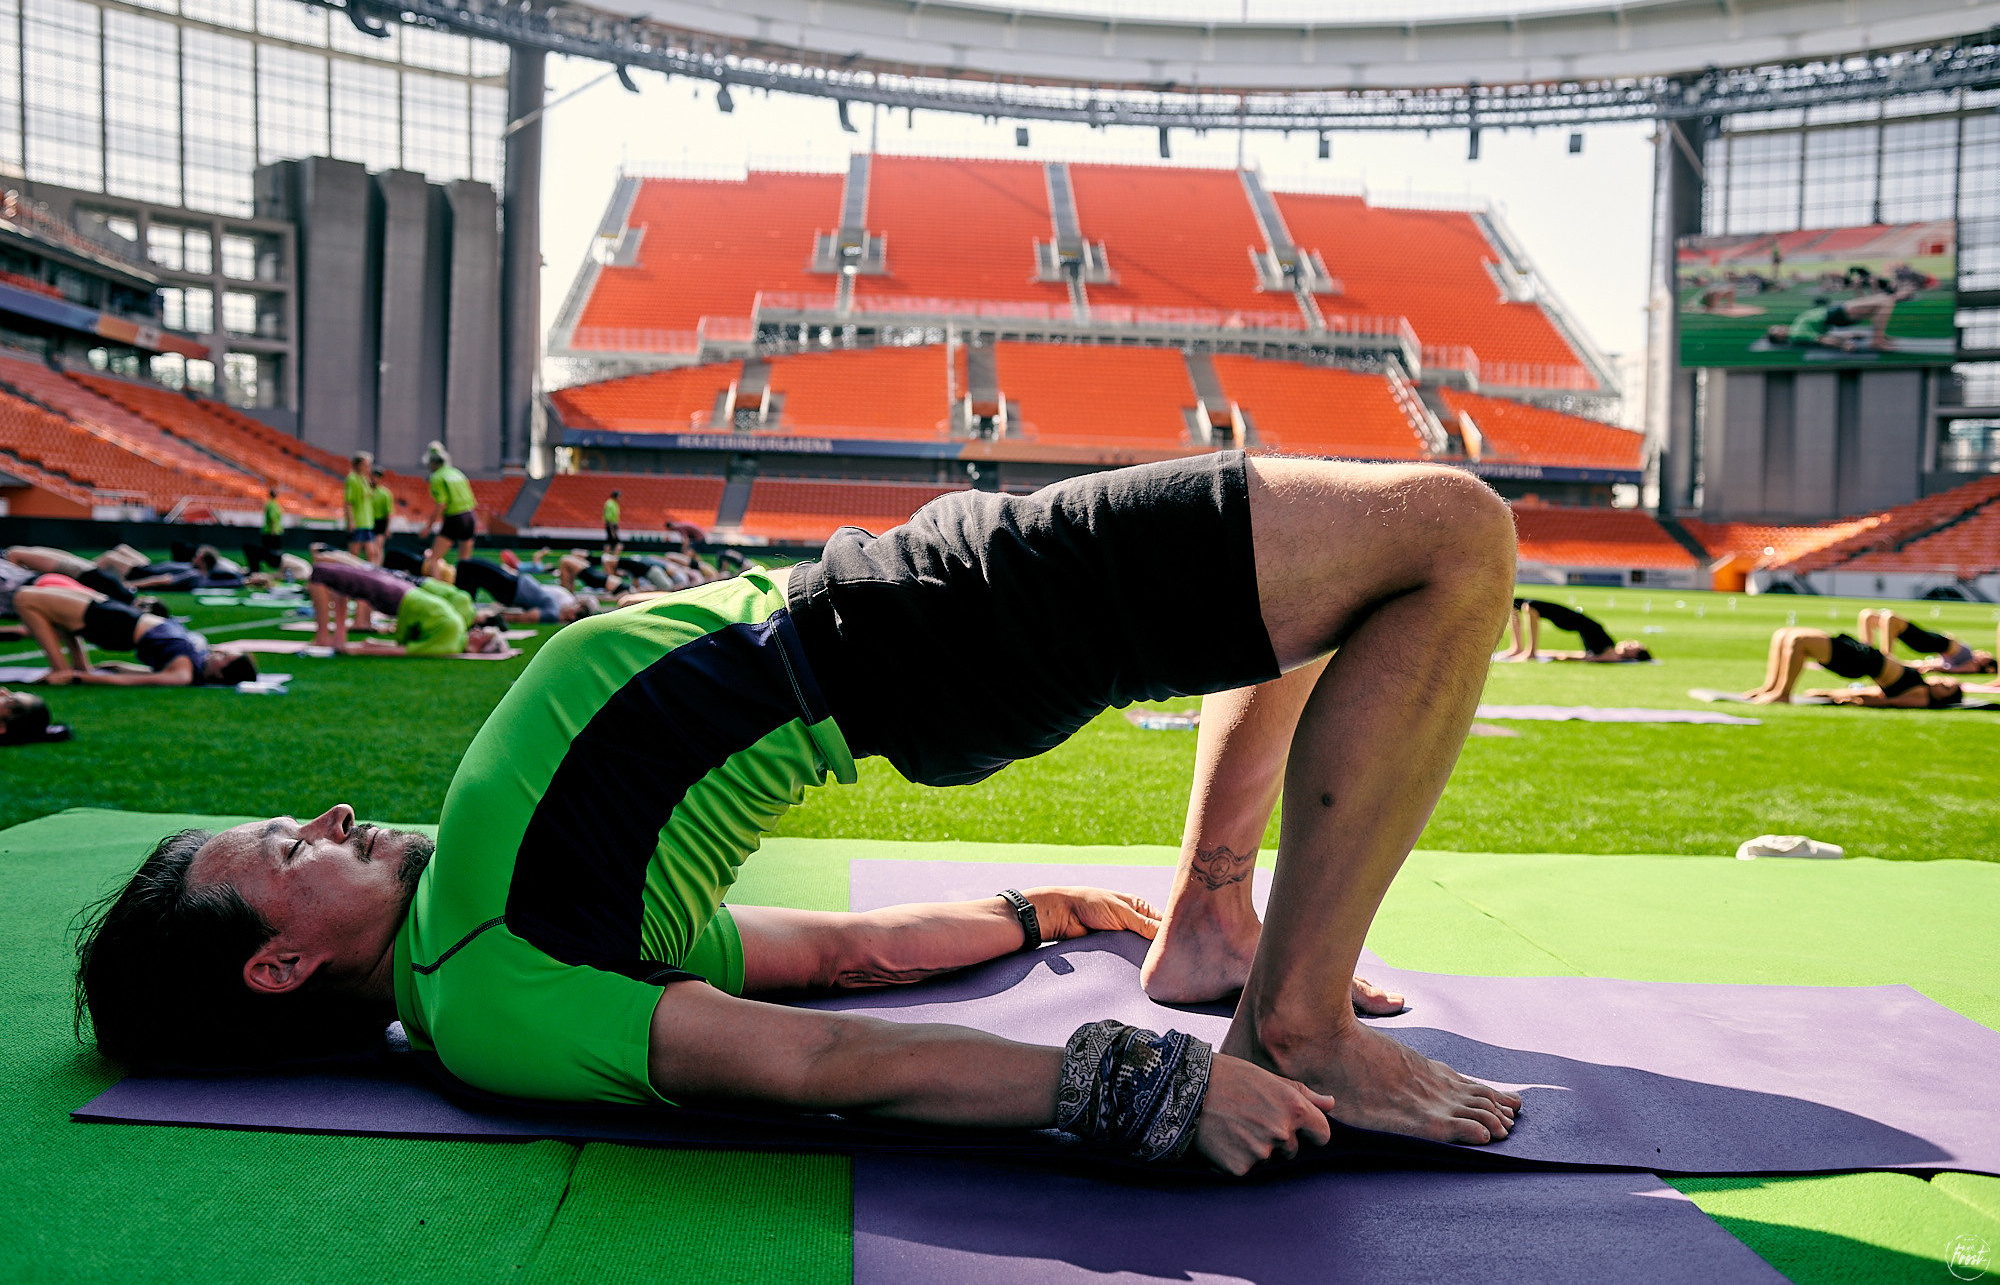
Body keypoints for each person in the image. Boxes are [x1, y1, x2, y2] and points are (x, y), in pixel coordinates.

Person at [74, 454, 1523, 1173]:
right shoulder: (496, 999)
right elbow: (828, 1060)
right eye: (286, 853)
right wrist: (1150, 1089)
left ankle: (1211, 928)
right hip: (918, 628)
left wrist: (1045, 912)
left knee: (1302, 596)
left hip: (897, 617)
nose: (325, 818)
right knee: (1449, 533)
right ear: (276, 965)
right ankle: (1300, 1021)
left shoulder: (511, 926)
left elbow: (839, 957)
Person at [13, 584, 257, 687]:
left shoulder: (184, 673)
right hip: (121, 619)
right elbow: (152, 673)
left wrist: (79, 678)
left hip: (117, 624)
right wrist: (120, 666)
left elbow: (134, 682)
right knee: (45, 603)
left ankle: (62, 670)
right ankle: (76, 666)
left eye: (224, 656)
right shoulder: (191, 664)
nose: (219, 651)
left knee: (25, 599)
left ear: (221, 672)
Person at [306, 554, 506, 657]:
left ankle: (324, 636)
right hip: (402, 593)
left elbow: (403, 651)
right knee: (342, 577)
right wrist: (368, 645)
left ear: (480, 647)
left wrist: (360, 649)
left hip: (400, 594)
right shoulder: (456, 633)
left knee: (321, 573)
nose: (477, 630)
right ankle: (334, 636)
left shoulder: (452, 639)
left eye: (482, 634)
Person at [1738, 626, 1964, 707]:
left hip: (1860, 662)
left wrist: (1855, 702)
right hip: (1863, 657)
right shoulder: (1918, 686)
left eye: (1945, 687)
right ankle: (1770, 688)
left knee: (1797, 641)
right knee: (1784, 635)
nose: (1940, 681)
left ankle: (1782, 694)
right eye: (1945, 680)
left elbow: (1887, 702)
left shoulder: (1922, 697)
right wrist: (1831, 693)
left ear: (1941, 698)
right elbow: (1875, 691)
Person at [449, 556, 595, 626]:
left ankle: (463, 614)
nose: (573, 605)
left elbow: (526, 617)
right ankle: (463, 611)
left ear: (573, 615)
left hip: (511, 590)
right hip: (513, 584)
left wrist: (499, 616)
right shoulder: (556, 608)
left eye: (576, 608)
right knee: (469, 571)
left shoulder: (552, 613)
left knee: (466, 567)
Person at [1499, 597, 1651, 663]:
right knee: (1516, 604)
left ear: (1633, 655)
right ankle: (1519, 648)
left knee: (1529, 606)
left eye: (1633, 646)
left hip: (1571, 621)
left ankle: (1527, 651)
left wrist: (1557, 657)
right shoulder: (1608, 648)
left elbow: (1583, 658)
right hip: (1574, 620)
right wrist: (1552, 656)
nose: (1629, 642)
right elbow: (1581, 656)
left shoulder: (1611, 653)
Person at [1762, 288, 1911, 351]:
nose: (1780, 328)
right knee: (1884, 302)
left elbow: (1823, 334)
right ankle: (1877, 341)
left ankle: (1879, 337)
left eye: (1777, 327)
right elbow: (1821, 339)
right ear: (1780, 338)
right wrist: (1843, 345)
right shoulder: (1796, 334)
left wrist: (1851, 335)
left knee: (1883, 300)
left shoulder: (1796, 328)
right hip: (1836, 315)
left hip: (1835, 313)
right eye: (1777, 332)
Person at [1856, 608, 1997, 675]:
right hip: (1931, 642)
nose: (1983, 653)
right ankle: (1866, 653)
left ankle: (1885, 659)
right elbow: (1924, 665)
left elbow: (1957, 669)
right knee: (1867, 615)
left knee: (1889, 618)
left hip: (1930, 643)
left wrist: (1939, 669)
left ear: (1985, 664)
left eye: (1986, 656)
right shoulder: (1966, 657)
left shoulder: (1972, 664)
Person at [4, 547, 140, 605]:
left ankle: (11, 583)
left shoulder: (122, 595)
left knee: (15, 553)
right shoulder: (123, 596)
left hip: (81, 571)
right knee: (16, 553)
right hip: (83, 570)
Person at [425, 442, 478, 567]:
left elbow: (442, 504)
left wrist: (428, 527)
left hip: (455, 517)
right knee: (464, 561)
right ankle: (463, 585)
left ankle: (436, 585)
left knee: (434, 559)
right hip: (470, 516)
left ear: (433, 463)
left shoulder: (437, 477)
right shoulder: (457, 473)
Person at [243, 490, 286, 575]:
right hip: (271, 532)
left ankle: (258, 568)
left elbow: (274, 518)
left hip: (273, 531)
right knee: (270, 552)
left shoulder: (273, 504)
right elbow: (272, 518)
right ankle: (259, 567)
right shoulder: (272, 504)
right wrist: (273, 530)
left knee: (272, 553)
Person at [346, 453, 374, 559]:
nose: (368, 468)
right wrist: (351, 521)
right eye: (366, 465)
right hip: (358, 522)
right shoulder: (352, 479)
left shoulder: (364, 479)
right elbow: (349, 502)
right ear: (359, 465)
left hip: (367, 522)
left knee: (371, 553)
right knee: (354, 555)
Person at [368, 469, 394, 567]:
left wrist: (387, 528)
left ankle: (378, 566)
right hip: (369, 521)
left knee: (378, 547)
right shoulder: (367, 491)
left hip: (380, 522)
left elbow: (388, 513)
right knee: (370, 547)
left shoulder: (385, 494)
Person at [603, 490, 622, 562]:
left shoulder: (614, 504)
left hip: (613, 526)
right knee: (618, 545)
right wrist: (612, 531)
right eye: (619, 497)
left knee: (609, 544)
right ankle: (613, 560)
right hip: (611, 526)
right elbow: (608, 518)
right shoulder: (610, 504)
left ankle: (607, 559)